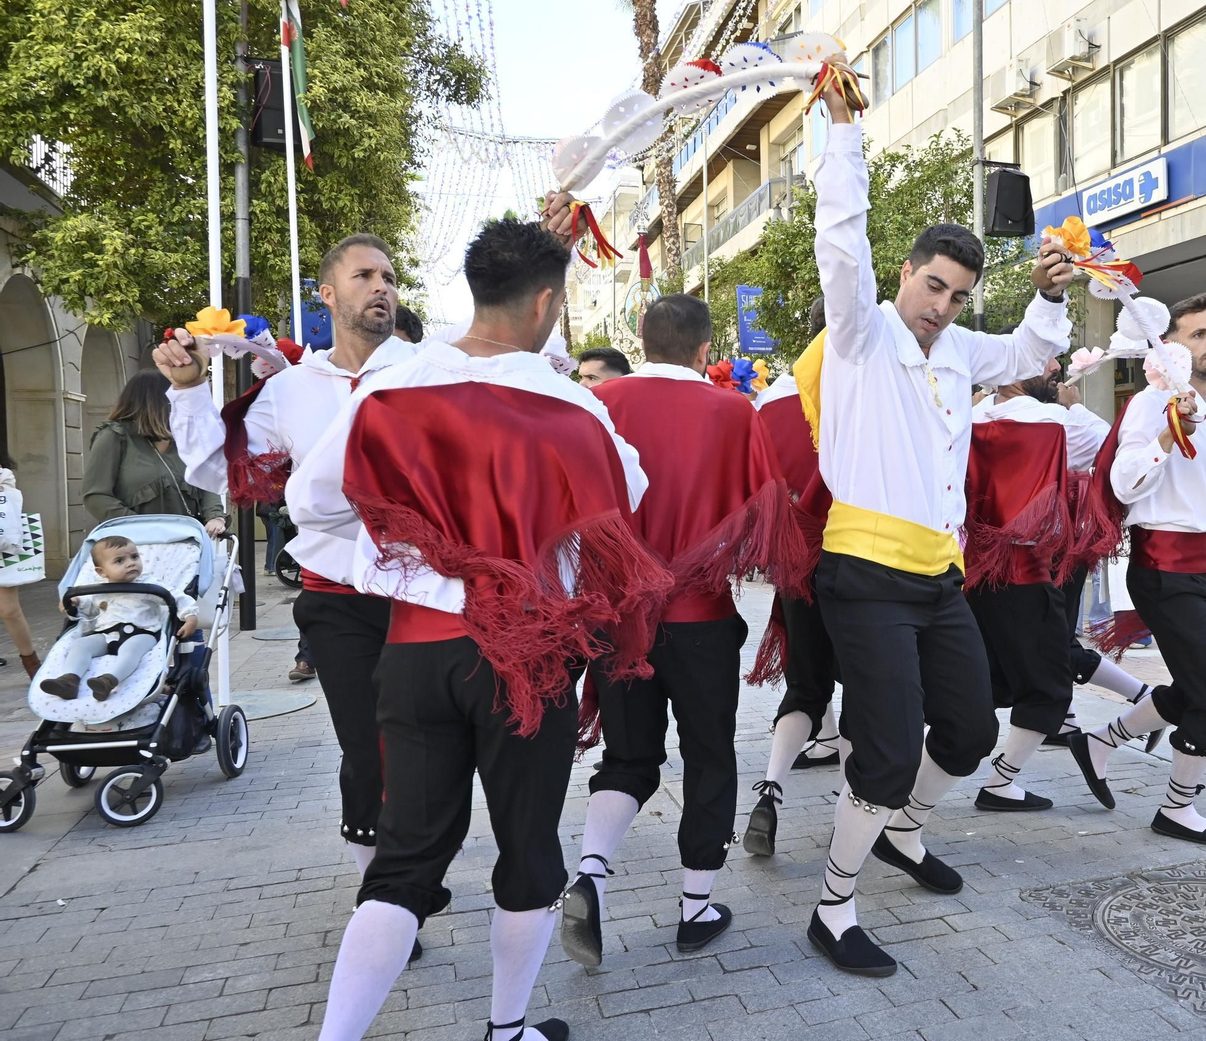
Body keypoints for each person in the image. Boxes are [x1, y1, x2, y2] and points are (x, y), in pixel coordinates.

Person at [299, 213, 666, 1041]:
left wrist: (419, 562)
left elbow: (311, 506)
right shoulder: (575, 406)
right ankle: (506, 1031)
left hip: (416, 651)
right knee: (528, 847)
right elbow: (627, 497)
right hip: (528, 660)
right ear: (544, 304)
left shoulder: (390, 388)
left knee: (405, 859)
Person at [796, 57, 1077, 977]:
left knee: (966, 730)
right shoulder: (861, 332)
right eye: (933, 288)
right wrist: (844, 135)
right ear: (906, 275)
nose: (942, 308)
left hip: (938, 577)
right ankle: (831, 910)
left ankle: (901, 833)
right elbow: (841, 244)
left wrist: (1049, 291)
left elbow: (1031, 349)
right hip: (864, 574)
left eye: (957, 295)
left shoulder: (958, 348)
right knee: (882, 745)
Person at [156, 233, 419, 899]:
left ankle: (417, 865)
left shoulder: (431, 369)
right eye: (364, 275)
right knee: (366, 747)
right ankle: (381, 892)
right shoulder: (293, 388)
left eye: (388, 276)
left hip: (427, 593)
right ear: (328, 294)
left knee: (424, 745)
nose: (382, 286)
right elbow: (221, 467)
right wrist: (188, 392)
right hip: (336, 597)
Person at [561, 293, 804, 965]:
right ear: (705, 352)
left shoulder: (598, 402)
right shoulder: (732, 410)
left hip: (617, 619)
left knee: (629, 758)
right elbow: (764, 518)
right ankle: (696, 908)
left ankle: (591, 871)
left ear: (640, 339)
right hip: (700, 616)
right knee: (709, 754)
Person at [1071, 291, 1206, 849]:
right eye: (1198, 334)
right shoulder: (1152, 403)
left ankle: (1101, 742)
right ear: (1169, 344)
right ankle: (1176, 809)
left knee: (1199, 684)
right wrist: (1170, 434)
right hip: (1164, 568)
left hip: (1205, 570)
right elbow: (1123, 484)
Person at [964, 358, 1157, 810]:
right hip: (1027, 572)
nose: (1057, 366)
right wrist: (1075, 406)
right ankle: (997, 783)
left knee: (995, 675)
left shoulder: (972, 416)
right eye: (1046, 358)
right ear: (1013, 370)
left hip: (974, 569)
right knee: (1049, 686)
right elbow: (1117, 451)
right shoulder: (1055, 421)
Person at [743, 296, 846, 859]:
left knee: (808, 683)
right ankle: (854, 810)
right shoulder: (862, 383)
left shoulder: (768, 401)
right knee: (867, 685)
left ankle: (772, 787)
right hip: (863, 556)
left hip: (796, 561)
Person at [39, 536, 198, 702]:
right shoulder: (97, 588)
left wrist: (190, 616)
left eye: (134, 557)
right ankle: (69, 680)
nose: (130, 563)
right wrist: (76, 603)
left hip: (141, 633)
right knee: (80, 645)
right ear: (102, 571)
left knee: (130, 651)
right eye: (120, 561)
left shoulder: (148, 584)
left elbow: (176, 597)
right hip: (106, 634)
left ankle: (109, 680)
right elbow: (90, 613)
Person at [83, 370, 228, 535]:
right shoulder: (114, 436)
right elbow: (96, 495)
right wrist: (139, 526)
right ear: (158, 403)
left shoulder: (184, 439)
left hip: (186, 543)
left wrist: (215, 517)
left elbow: (206, 482)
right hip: (132, 546)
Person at [0, 452, 41, 678]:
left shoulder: (4, 475)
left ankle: (31, 663)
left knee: (9, 610)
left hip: (2, 546)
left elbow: (10, 504)